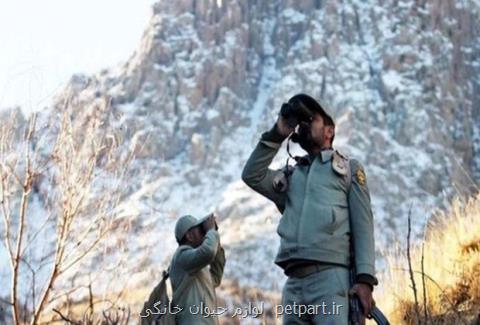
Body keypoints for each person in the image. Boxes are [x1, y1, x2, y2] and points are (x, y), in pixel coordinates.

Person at [241, 94, 377, 325]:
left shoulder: (348, 171)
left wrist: (365, 281)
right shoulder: (291, 176)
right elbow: (252, 176)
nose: (304, 124)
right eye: (301, 121)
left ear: (329, 131)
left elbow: (364, 227)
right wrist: (279, 132)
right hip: (293, 284)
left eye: (311, 119)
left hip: (330, 279)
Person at [169, 213, 226, 325]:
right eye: (200, 230)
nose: (203, 232)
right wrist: (211, 232)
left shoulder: (196, 265)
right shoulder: (181, 256)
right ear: (189, 236)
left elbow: (215, 278)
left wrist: (215, 239)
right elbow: (208, 252)